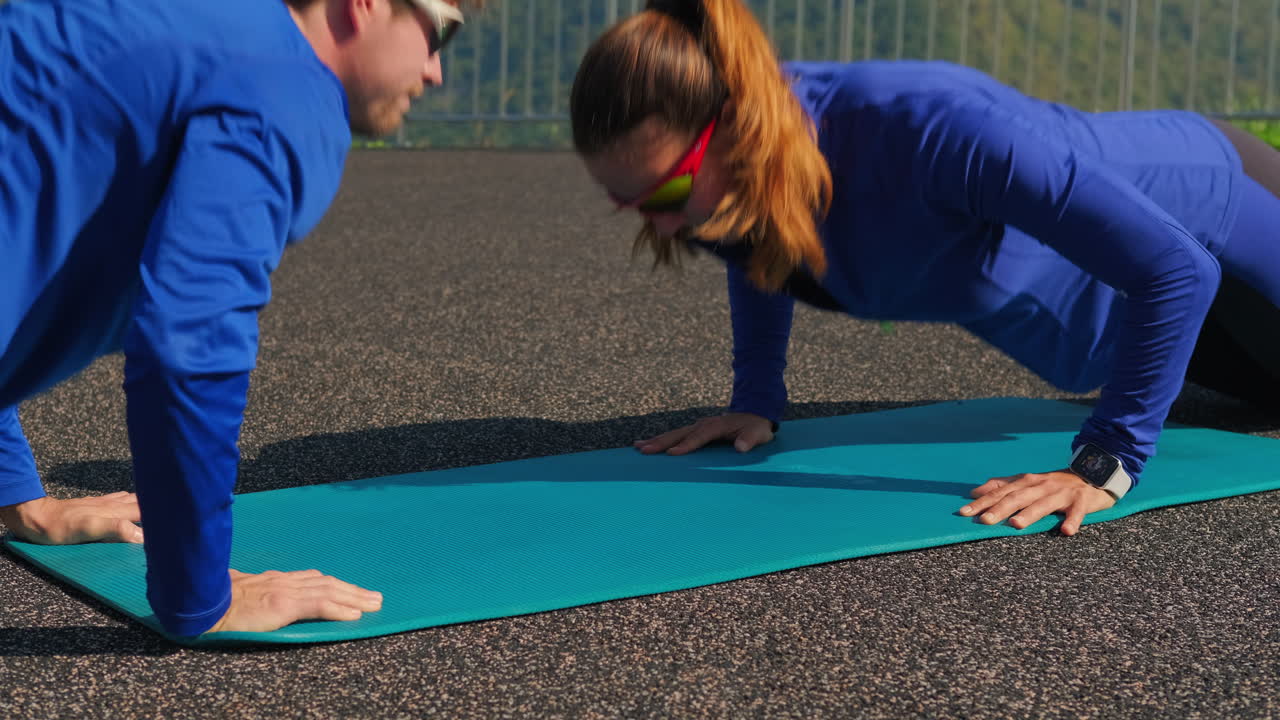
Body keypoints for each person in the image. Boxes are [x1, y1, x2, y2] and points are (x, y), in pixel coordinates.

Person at [569, 0, 1280, 536]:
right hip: (1145, 321)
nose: (654, 222)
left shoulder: (928, 131)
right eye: (625, 201)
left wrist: (1101, 465)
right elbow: (764, 251)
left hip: (1217, 214)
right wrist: (755, 399)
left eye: (663, 192)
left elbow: (1175, 270)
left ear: (732, 127)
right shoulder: (730, 188)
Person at [0, 0, 479, 636]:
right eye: (441, 31)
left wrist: (17, 497)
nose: (436, 69)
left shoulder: (189, 27)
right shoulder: (282, 86)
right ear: (364, 6)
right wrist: (202, 595)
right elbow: (188, 344)